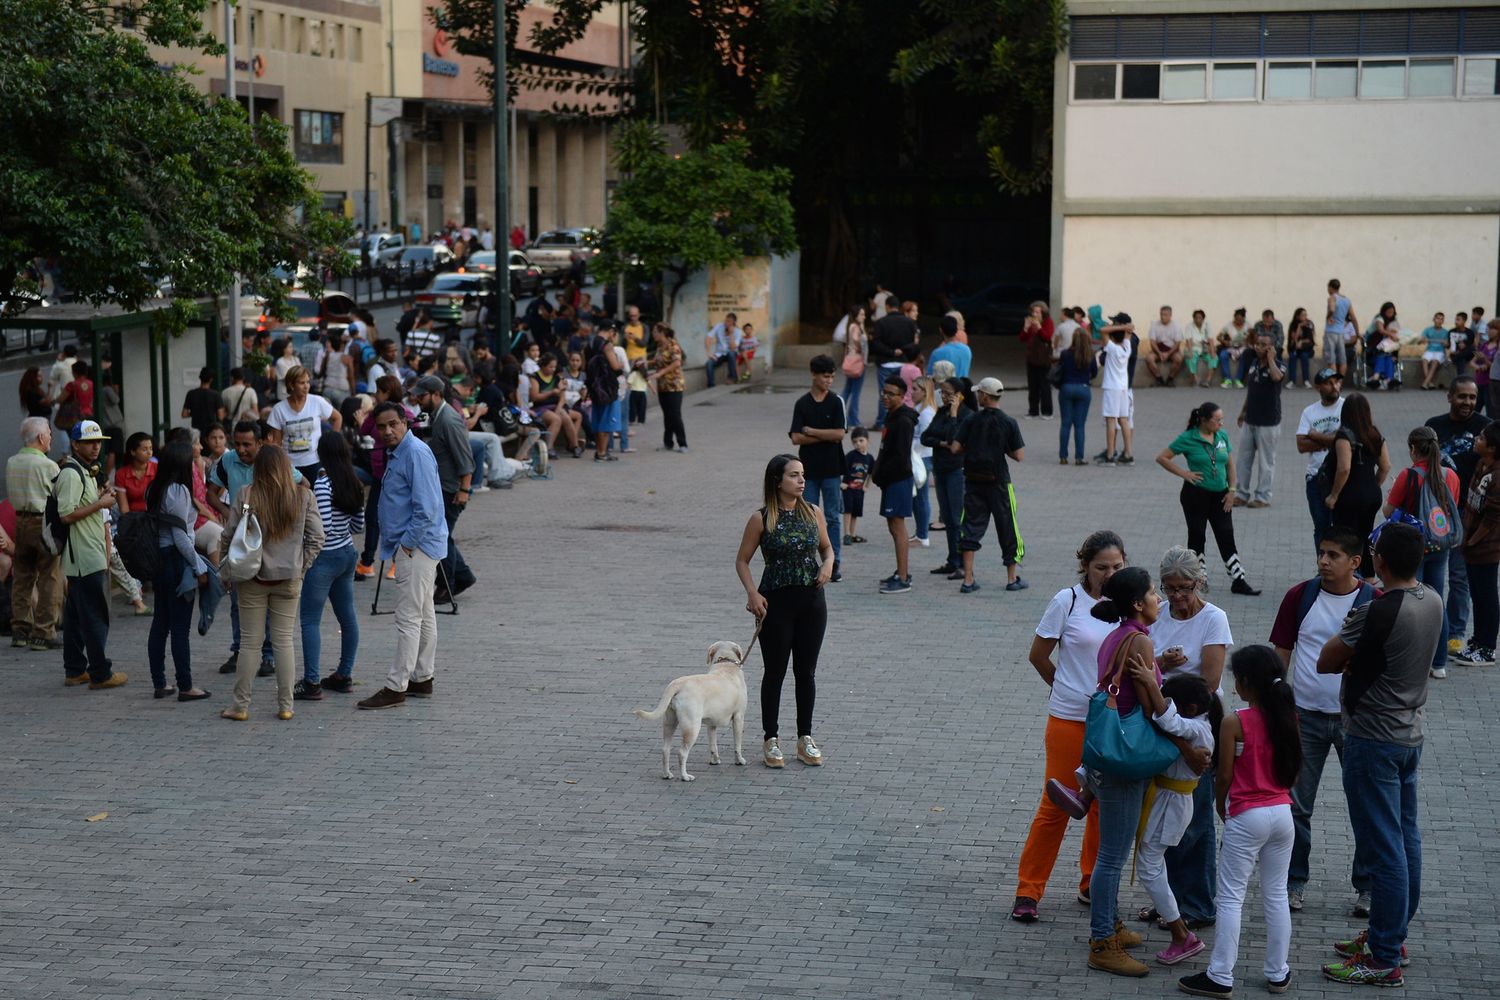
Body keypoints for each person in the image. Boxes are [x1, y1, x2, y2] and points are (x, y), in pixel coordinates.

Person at [1316, 522, 1441, 988]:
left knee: (1384, 848)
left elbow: (1325, 660)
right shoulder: (1432, 599)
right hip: (1409, 735)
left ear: (1378, 561)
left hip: (1372, 739)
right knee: (1405, 839)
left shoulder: (1376, 609)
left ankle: (1383, 957)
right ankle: (1391, 935)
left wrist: (1354, 657)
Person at [1012, 531, 1125, 923]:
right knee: (1056, 804)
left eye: (1116, 567)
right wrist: (1065, 688)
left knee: (1103, 807)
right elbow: (1038, 655)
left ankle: (1092, 882)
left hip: (1112, 722)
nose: (1109, 574)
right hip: (1069, 719)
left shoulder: (1130, 602)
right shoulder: (1068, 601)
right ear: (1085, 567)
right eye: (1101, 568)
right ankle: (1028, 890)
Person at [1176, 646, 1299, 999]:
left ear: (1246, 682)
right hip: (1282, 814)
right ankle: (1278, 973)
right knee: (1276, 894)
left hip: (1247, 816)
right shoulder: (1289, 716)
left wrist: (1221, 807)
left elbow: (1223, 775)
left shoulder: (1236, 722)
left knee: (1230, 897)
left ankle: (1220, 975)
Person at [1270, 527, 1376, 913]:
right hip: (1305, 718)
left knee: (1366, 806)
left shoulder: (1373, 601)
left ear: (1355, 562)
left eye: (1333, 555)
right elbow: (1280, 655)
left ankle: (1367, 887)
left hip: (1359, 721)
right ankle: (1293, 882)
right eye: (1321, 553)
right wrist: (1274, 708)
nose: (1324, 562)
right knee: (1296, 805)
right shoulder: (1301, 596)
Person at [1084, 568, 1172, 978]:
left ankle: (1111, 923)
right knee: (1112, 856)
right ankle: (1103, 941)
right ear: (1137, 603)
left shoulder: (1118, 635)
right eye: (1154, 592)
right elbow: (1152, 706)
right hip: (1124, 757)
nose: (1159, 599)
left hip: (1110, 754)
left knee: (1111, 853)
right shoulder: (1139, 641)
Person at [1144, 546, 1232, 931]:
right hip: (1160, 721)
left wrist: (1165, 682)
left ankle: (1197, 903)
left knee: (1193, 821)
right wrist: (1162, 666)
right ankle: (1169, 901)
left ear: (1199, 583)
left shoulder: (1214, 619)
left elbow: (1210, 684)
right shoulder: (1156, 614)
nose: (1177, 596)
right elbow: (1141, 664)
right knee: (1161, 818)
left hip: (1196, 724)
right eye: (1170, 588)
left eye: (1185, 587)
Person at [734, 454, 834, 768]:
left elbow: (827, 548)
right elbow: (742, 560)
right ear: (778, 481)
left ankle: (805, 737)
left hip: (812, 602)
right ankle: (770, 738)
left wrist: (829, 564)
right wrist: (752, 593)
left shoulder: (813, 512)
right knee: (775, 672)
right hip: (775, 603)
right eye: (794, 475)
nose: (801, 480)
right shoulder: (761, 518)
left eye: (802, 474)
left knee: (806, 672)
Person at [1122, 663, 1219, 968]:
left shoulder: (1199, 730)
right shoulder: (1197, 721)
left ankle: (1182, 935)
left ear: (1190, 707)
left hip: (1172, 804)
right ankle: (1173, 918)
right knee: (1154, 862)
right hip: (1166, 799)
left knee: (1150, 865)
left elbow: (1169, 721)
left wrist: (1151, 683)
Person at [217, 445, 323, 722]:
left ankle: (240, 706)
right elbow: (318, 537)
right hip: (289, 577)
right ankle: (286, 706)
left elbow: (228, 536)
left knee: (250, 644)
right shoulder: (303, 496)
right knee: (284, 642)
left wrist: (226, 572)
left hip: (252, 576)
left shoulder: (246, 494)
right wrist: (302, 566)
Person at [357, 403, 448, 711]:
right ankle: (422, 677)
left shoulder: (415, 453)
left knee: (408, 617)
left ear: (405, 422)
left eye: (393, 424)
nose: (387, 431)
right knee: (423, 613)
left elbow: (427, 508)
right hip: (415, 545)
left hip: (417, 547)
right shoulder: (401, 452)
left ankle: (397, 686)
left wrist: (407, 545)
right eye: (381, 427)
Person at [206, 420, 302, 676]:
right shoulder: (227, 462)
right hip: (242, 542)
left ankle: (268, 655)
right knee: (238, 600)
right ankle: (239, 651)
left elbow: (303, 487)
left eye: (247, 444)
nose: (241, 449)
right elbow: (211, 493)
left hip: (272, 542)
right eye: (237, 444)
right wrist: (230, 513)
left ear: (261, 443)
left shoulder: (273, 462)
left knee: (270, 600)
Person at [1157, 401, 1261, 595]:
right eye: (1217, 420)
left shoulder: (1221, 436)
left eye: (1222, 420)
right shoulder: (1188, 438)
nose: (1221, 424)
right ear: (1204, 420)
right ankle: (1198, 579)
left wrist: (1231, 490)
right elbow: (1162, 457)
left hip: (1221, 495)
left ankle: (1238, 580)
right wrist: (1185, 474)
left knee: (1226, 534)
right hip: (1195, 495)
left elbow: (1230, 465)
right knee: (1197, 536)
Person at [1382, 426, 1462, 678]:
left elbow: (1388, 512)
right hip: (1440, 546)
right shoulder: (1451, 476)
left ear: (1413, 449)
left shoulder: (1409, 475)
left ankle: (1408, 659)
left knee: (1408, 600)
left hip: (1412, 546)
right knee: (1437, 600)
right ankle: (1439, 663)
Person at [55, 421, 128, 690]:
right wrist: (101, 503)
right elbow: (66, 515)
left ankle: (75, 669)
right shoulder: (72, 473)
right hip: (84, 556)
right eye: (89, 441)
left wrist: (99, 497)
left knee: (75, 617)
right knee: (95, 616)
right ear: (75, 444)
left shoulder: (85, 472)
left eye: (98, 441)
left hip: (86, 554)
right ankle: (100, 673)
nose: (96, 446)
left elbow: (81, 506)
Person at [296, 433, 365, 700]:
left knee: (310, 620)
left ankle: (311, 682)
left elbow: (319, 529)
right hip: (347, 554)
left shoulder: (323, 486)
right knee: (347, 617)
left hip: (324, 558)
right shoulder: (354, 483)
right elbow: (358, 526)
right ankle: (344, 674)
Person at [1424, 377, 1488, 654]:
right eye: (1462, 397)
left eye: (1472, 398)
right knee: (1431, 573)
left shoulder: (1484, 427)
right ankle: (1429, 628)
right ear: (1449, 396)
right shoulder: (1434, 425)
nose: (1467, 403)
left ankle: (1456, 632)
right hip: (1437, 510)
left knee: (1459, 575)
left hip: (1468, 512)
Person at [144, 440, 210, 702]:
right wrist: (199, 565)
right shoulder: (179, 491)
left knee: (160, 623)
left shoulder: (154, 488)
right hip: (176, 561)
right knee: (180, 628)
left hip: (159, 561)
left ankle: (160, 683)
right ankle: (186, 686)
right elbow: (181, 537)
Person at [954, 377, 1025, 593]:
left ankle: (967, 579)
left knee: (970, 528)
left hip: (974, 482)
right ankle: (1012, 579)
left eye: (979, 393)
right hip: (1000, 483)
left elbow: (955, 448)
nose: (977, 396)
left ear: (985, 396)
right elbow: (1019, 455)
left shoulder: (971, 420)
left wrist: (974, 448)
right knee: (1008, 527)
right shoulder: (1009, 422)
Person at [412, 374, 476, 601]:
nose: (418, 399)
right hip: (441, 487)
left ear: (436, 394)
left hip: (451, 489)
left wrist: (464, 489)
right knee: (442, 535)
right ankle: (463, 576)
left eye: (422, 395)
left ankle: (447, 583)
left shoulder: (448, 419)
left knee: (441, 537)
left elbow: (465, 458)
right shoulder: (436, 416)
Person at [789, 356, 847, 584]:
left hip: (832, 469)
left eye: (832, 376)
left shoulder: (836, 402)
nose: (829, 381)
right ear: (813, 374)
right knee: (808, 517)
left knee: (832, 517)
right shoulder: (802, 404)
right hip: (808, 471)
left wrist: (811, 431)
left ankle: (834, 562)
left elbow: (840, 434)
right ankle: (809, 562)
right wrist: (826, 435)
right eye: (825, 376)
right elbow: (795, 437)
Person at [6, 417, 62, 649]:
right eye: (49, 433)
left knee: (22, 576)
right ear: (41, 437)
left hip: (21, 521)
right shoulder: (48, 466)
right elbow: (59, 496)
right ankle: (43, 632)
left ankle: (20, 630)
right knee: (50, 576)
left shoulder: (12, 462)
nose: (50, 437)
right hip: (43, 523)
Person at [1455, 422, 1500, 665]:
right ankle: (1477, 640)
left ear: (1492, 448)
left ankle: (1487, 647)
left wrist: (1472, 540)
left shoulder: (1497, 475)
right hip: (1471, 545)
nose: (1476, 439)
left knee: (1486, 595)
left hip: (1485, 548)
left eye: (1482, 438)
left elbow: (1493, 517)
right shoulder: (1481, 465)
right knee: (1477, 594)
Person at [872, 375, 918, 594]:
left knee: (898, 528)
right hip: (891, 481)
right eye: (884, 392)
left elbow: (900, 458)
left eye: (891, 394)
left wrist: (882, 476)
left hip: (898, 480)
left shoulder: (903, 421)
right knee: (892, 526)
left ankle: (903, 578)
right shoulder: (892, 416)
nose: (886, 397)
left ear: (902, 396)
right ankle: (900, 571)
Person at [920, 379, 971, 577]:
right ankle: (952, 559)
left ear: (959, 394)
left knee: (957, 519)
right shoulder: (941, 412)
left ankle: (962, 563)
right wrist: (942, 443)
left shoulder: (966, 415)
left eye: (948, 393)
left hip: (957, 471)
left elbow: (955, 437)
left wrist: (953, 414)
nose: (943, 396)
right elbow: (926, 437)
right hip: (940, 470)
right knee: (948, 518)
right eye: (942, 392)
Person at [1233, 330, 1285, 509]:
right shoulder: (1254, 363)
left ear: (1272, 348)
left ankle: (1263, 497)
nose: (1259, 347)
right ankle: (1241, 494)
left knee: (1266, 461)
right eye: (1257, 343)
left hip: (1268, 422)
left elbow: (1277, 377)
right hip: (1250, 420)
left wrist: (1270, 359)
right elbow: (1251, 391)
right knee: (1243, 460)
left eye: (1264, 345)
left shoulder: (1278, 365)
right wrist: (1242, 412)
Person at [1295, 368, 1345, 551]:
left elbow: (1348, 438)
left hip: (1341, 476)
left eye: (1337, 381)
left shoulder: (1346, 407)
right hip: (1316, 477)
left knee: (1342, 529)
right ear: (1318, 387)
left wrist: (1316, 436)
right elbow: (1301, 445)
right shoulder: (1309, 411)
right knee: (1321, 528)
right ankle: (1323, 568)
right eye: (1329, 382)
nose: (1335, 386)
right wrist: (1335, 440)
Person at [266, 365, 339, 479]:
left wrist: (331, 445)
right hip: (290, 466)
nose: (306, 386)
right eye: (301, 383)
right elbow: (276, 443)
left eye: (308, 382)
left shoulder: (317, 401)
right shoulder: (279, 409)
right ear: (291, 385)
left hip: (315, 462)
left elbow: (337, 418)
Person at [868, 297, 920, 431]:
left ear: (887, 306)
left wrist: (891, 351)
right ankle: (899, 418)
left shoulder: (881, 322)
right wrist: (902, 351)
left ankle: (881, 422)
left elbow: (876, 343)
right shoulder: (909, 323)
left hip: (885, 362)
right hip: (903, 363)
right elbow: (912, 342)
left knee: (884, 393)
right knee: (901, 393)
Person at [1096, 315, 1135, 465]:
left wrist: (1121, 327)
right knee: (1124, 420)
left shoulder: (1111, 348)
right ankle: (1128, 453)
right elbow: (1128, 332)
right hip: (1124, 388)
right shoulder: (1127, 347)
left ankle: (1110, 455)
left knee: (1111, 421)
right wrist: (1126, 328)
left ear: (1112, 337)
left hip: (1112, 388)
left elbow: (1102, 330)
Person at [1056, 327, 1096, 466]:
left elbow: (1060, 370)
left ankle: (1063, 457)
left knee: (1065, 423)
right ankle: (1079, 457)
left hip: (1066, 388)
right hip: (1083, 389)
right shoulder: (1090, 354)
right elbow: (1095, 373)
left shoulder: (1065, 354)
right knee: (1079, 425)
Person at [648, 324, 688, 453]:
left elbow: (676, 362)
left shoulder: (673, 346)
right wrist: (645, 362)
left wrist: (660, 373)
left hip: (674, 385)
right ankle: (668, 443)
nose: (653, 334)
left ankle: (683, 444)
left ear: (662, 332)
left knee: (675, 415)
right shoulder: (660, 347)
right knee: (667, 415)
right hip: (663, 386)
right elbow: (657, 361)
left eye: (655, 331)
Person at [1020, 301, 1054, 417]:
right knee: (1032, 386)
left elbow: (1047, 337)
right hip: (1032, 358)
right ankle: (1033, 411)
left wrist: (1039, 327)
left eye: (1037, 312)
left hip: (1044, 359)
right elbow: (1022, 338)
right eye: (1033, 311)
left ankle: (1047, 411)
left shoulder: (1048, 322)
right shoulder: (1030, 322)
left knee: (1045, 386)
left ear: (1043, 313)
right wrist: (1026, 328)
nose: (1035, 314)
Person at [838, 306, 869, 426]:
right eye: (861, 314)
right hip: (858, 363)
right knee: (856, 392)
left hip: (851, 361)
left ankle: (838, 413)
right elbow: (857, 340)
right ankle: (853, 419)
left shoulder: (851, 326)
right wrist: (860, 347)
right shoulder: (856, 327)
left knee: (848, 389)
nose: (864, 317)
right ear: (856, 315)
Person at [1145, 305, 1184, 386]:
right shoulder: (1154, 325)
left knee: (1179, 359)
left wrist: (1168, 353)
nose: (1163, 317)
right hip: (1158, 349)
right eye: (1161, 314)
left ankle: (1170, 379)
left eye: (1165, 315)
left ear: (1170, 315)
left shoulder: (1176, 326)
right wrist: (1159, 353)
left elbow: (1177, 344)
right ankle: (1159, 378)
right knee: (1149, 358)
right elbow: (1152, 342)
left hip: (1172, 350)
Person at [1325, 279, 1357, 378]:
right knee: (1343, 361)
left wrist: (1329, 316)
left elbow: (1332, 309)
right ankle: (1339, 383)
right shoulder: (1347, 300)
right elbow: (1353, 317)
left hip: (1331, 332)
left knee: (1332, 361)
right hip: (1341, 333)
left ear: (1330, 287)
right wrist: (1357, 331)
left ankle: (1333, 383)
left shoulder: (1332, 298)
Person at [1367, 302, 1402, 390]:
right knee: (1383, 353)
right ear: (1384, 311)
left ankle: (1379, 378)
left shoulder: (1394, 322)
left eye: (1392, 312)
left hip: (1387, 350)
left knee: (1388, 356)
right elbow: (1381, 330)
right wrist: (1391, 334)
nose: (1390, 314)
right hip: (1373, 347)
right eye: (1388, 312)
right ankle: (1386, 378)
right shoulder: (1379, 319)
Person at [180, 367, 225, 436]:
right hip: (210, 431)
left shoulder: (191, 393)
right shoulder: (215, 395)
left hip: (196, 430)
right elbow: (220, 416)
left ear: (200, 378)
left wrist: (194, 412)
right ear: (211, 380)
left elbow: (184, 414)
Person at [928, 313, 971, 379]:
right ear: (957, 329)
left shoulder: (937, 353)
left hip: (946, 388)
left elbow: (930, 376)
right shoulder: (967, 349)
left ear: (941, 330)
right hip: (963, 387)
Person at [704, 311, 741, 387]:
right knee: (709, 364)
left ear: (734, 322)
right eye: (726, 320)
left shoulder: (738, 331)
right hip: (719, 354)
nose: (726, 323)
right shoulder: (719, 326)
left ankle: (731, 377)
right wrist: (709, 353)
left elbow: (733, 348)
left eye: (729, 321)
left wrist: (731, 334)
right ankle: (711, 385)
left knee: (731, 353)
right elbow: (708, 338)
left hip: (731, 354)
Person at [1216, 309, 1250, 388]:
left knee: (1244, 356)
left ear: (1244, 318)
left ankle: (1238, 380)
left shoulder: (1248, 326)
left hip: (1243, 348)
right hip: (1230, 347)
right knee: (1223, 355)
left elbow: (1252, 337)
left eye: (1240, 319)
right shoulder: (1228, 325)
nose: (1238, 321)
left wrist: (1246, 342)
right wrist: (1225, 342)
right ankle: (1227, 379)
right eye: (1236, 319)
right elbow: (1218, 337)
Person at [1184, 309, 1214, 388]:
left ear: (1203, 319)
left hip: (1204, 348)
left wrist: (1212, 351)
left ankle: (1208, 380)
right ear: (1193, 318)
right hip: (1193, 347)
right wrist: (1190, 351)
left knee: (1214, 358)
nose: (1198, 320)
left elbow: (1210, 339)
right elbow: (1188, 340)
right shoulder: (1189, 326)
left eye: (1200, 318)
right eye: (1196, 318)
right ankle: (1195, 378)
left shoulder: (1207, 325)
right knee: (1190, 358)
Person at [1418, 311, 1448, 390]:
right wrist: (1422, 340)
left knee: (1434, 362)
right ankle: (1430, 383)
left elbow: (1448, 345)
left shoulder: (1445, 332)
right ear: (1434, 319)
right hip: (1429, 350)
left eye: (1442, 319)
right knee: (1424, 360)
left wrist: (1445, 343)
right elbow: (1420, 341)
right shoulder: (1428, 330)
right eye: (1438, 318)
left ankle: (1425, 383)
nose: (1439, 321)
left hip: (1440, 352)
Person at [1287, 308, 1316, 387]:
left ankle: (1306, 380)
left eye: (1305, 315)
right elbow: (1294, 338)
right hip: (1295, 349)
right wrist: (1299, 326)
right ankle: (1292, 381)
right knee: (1292, 357)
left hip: (1307, 349)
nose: (1305, 317)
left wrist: (1301, 342)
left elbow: (1310, 339)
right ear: (1297, 316)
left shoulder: (1309, 324)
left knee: (1304, 356)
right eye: (1303, 315)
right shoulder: (1293, 324)